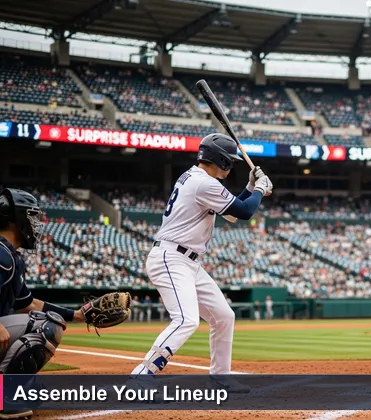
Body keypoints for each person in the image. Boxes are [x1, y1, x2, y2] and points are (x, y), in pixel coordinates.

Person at [129, 133, 273, 392]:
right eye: (229, 161)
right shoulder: (203, 183)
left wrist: (251, 188)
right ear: (219, 160)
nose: (230, 166)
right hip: (171, 259)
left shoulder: (194, 178)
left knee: (223, 316)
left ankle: (220, 378)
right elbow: (244, 212)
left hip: (187, 262)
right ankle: (142, 375)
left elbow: (231, 211)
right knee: (186, 320)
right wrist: (261, 189)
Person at [0, 188, 96, 419]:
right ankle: (5, 396)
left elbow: (28, 304)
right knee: (46, 327)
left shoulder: (9, 255)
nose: (36, 224)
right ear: (16, 220)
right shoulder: (1, 254)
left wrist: (77, 315)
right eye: (32, 217)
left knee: (50, 320)